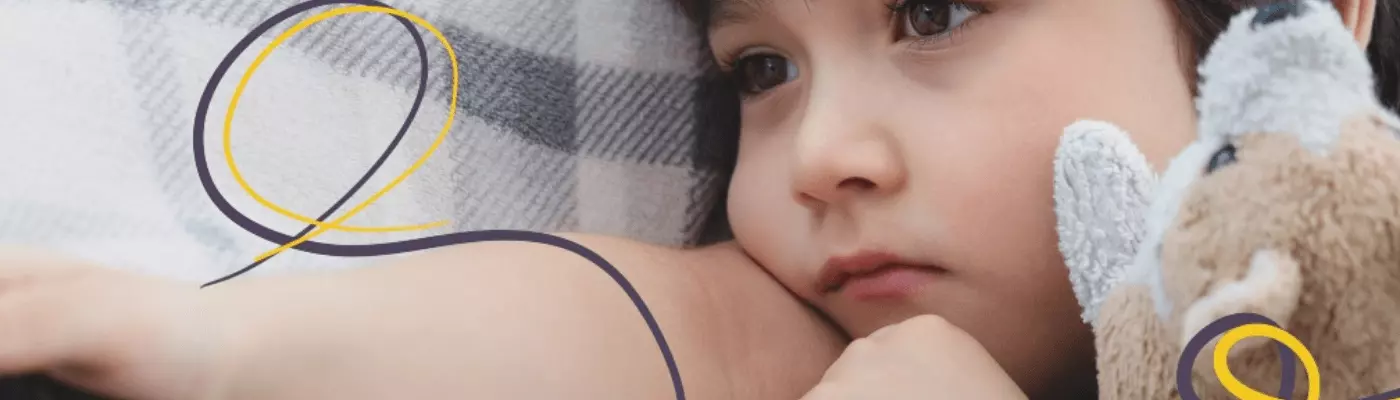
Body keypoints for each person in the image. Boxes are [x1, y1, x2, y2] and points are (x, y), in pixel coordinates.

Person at [0, 0, 1395, 399]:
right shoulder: (856, 334)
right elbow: (634, 330)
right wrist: (215, 341)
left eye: (934, 13)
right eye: (762, 70)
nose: (818, 152)